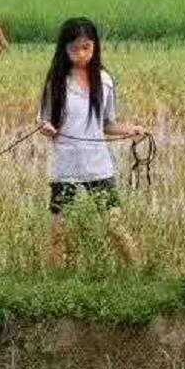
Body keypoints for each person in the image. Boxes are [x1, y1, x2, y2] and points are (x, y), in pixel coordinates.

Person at [39, 17, 147, 268]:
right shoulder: (56, 83)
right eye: (74, 48)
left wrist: (131, 130)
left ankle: (140, 273)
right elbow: (44, 122)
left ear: (95, 47)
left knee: (115, 225)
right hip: (65, 166)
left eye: (86, 47)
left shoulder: (105, 81)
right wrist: (45, 128)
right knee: (59, 232)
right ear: (64, 50)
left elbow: (106, 124)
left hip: (98, 164)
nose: (81, 54)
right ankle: (57, 281)